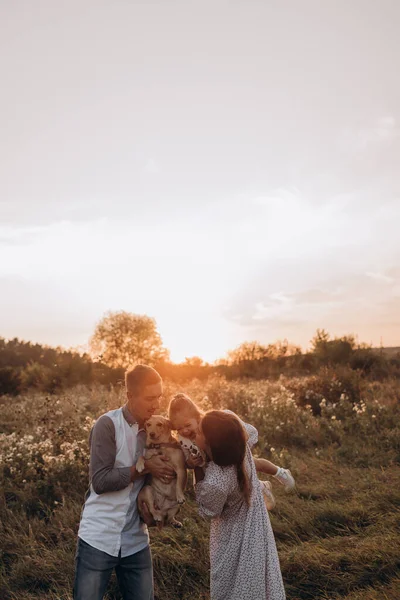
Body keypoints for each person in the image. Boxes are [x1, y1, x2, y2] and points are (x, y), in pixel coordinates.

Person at [73, 364, 175, 600]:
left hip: (136, 541)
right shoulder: (107, 425)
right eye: (150, 398)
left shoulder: (157, 429)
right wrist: (145, 468)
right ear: (130, 396)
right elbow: (100, 481)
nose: (156, 404)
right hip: (99, 537)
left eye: (159, 397)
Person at [194, 410, 286, 600]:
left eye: (200, 432)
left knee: (234, 584)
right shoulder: (241, 447)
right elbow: (246, 428)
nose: (195, 431)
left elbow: (208, 510)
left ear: (211, 443)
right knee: (261, 580)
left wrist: (197, 467)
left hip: (235, 539)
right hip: (257, 532)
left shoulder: (217, 479)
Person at [168, 393, 295, 507]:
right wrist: (191, 462)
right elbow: (186, 463)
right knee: (235, 482)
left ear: (197, 417)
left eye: (187, 425)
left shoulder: (208, 426)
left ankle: (280, 473)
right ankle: (260, 486)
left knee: (253, 464)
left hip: (229, 454)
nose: (184, 431)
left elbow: (231, 435)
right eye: (179, 428)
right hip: (213, 468)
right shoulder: (183, 440)